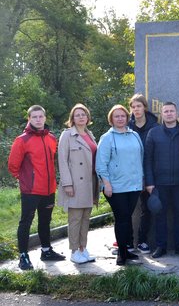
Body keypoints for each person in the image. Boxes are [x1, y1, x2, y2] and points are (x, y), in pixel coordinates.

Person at [8, 105, 66, 270]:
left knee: (45, 221)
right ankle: (23, 257)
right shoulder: (22, 140)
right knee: (25, 222)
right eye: (35, 117)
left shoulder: (52, 138)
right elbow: (13, 166)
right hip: (31, 190)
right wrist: (25, 179)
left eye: (41, 116)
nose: (38, 119)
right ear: (29, 119)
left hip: (48, 189)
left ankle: (46, 251)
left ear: (45, 118)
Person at [96, 104, 144, 266]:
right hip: (115, 187)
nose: (120, 118)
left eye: (123, 116)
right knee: (122, 218)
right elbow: (101, 164)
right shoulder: (107, 138)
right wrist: (106, 184)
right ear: (111, 119)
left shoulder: (134, 135)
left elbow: (140, 159)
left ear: (127, 117)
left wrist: (141, 180)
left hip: (134, 186)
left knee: (127, 218)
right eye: (116, 116)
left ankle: (127, 251)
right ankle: (121, 254)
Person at [143, 102, 179, 258]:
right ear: (162, 114)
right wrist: (149, 182)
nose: (169, 114)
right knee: (160, 216)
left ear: (177, 114)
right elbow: (147, 159)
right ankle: (160, 246)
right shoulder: (153, 133)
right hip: (159, 184)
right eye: (166, 111)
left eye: (172, 111)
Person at [57, 104, 99, 264]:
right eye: (77, 115)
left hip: (90, 182)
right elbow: (62, 160)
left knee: (86, 217)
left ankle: (83, 248)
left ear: (88, 117)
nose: (81, 117)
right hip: (75, 183)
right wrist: (67, 183)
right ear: (72, 118)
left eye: (83, 114)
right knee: (75, 218)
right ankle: (74, 251)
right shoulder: (67, 135)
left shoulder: (90, 134)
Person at [127, 93, 159, 254]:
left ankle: (142, 240)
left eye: (139, 106)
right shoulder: (127, 126)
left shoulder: (154, 126)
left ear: (144, 108)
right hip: (130, 174)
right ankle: (126, 242)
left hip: (149, 174)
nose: (136, 109)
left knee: (146, 209)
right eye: (133, 107)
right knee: (129, 209)